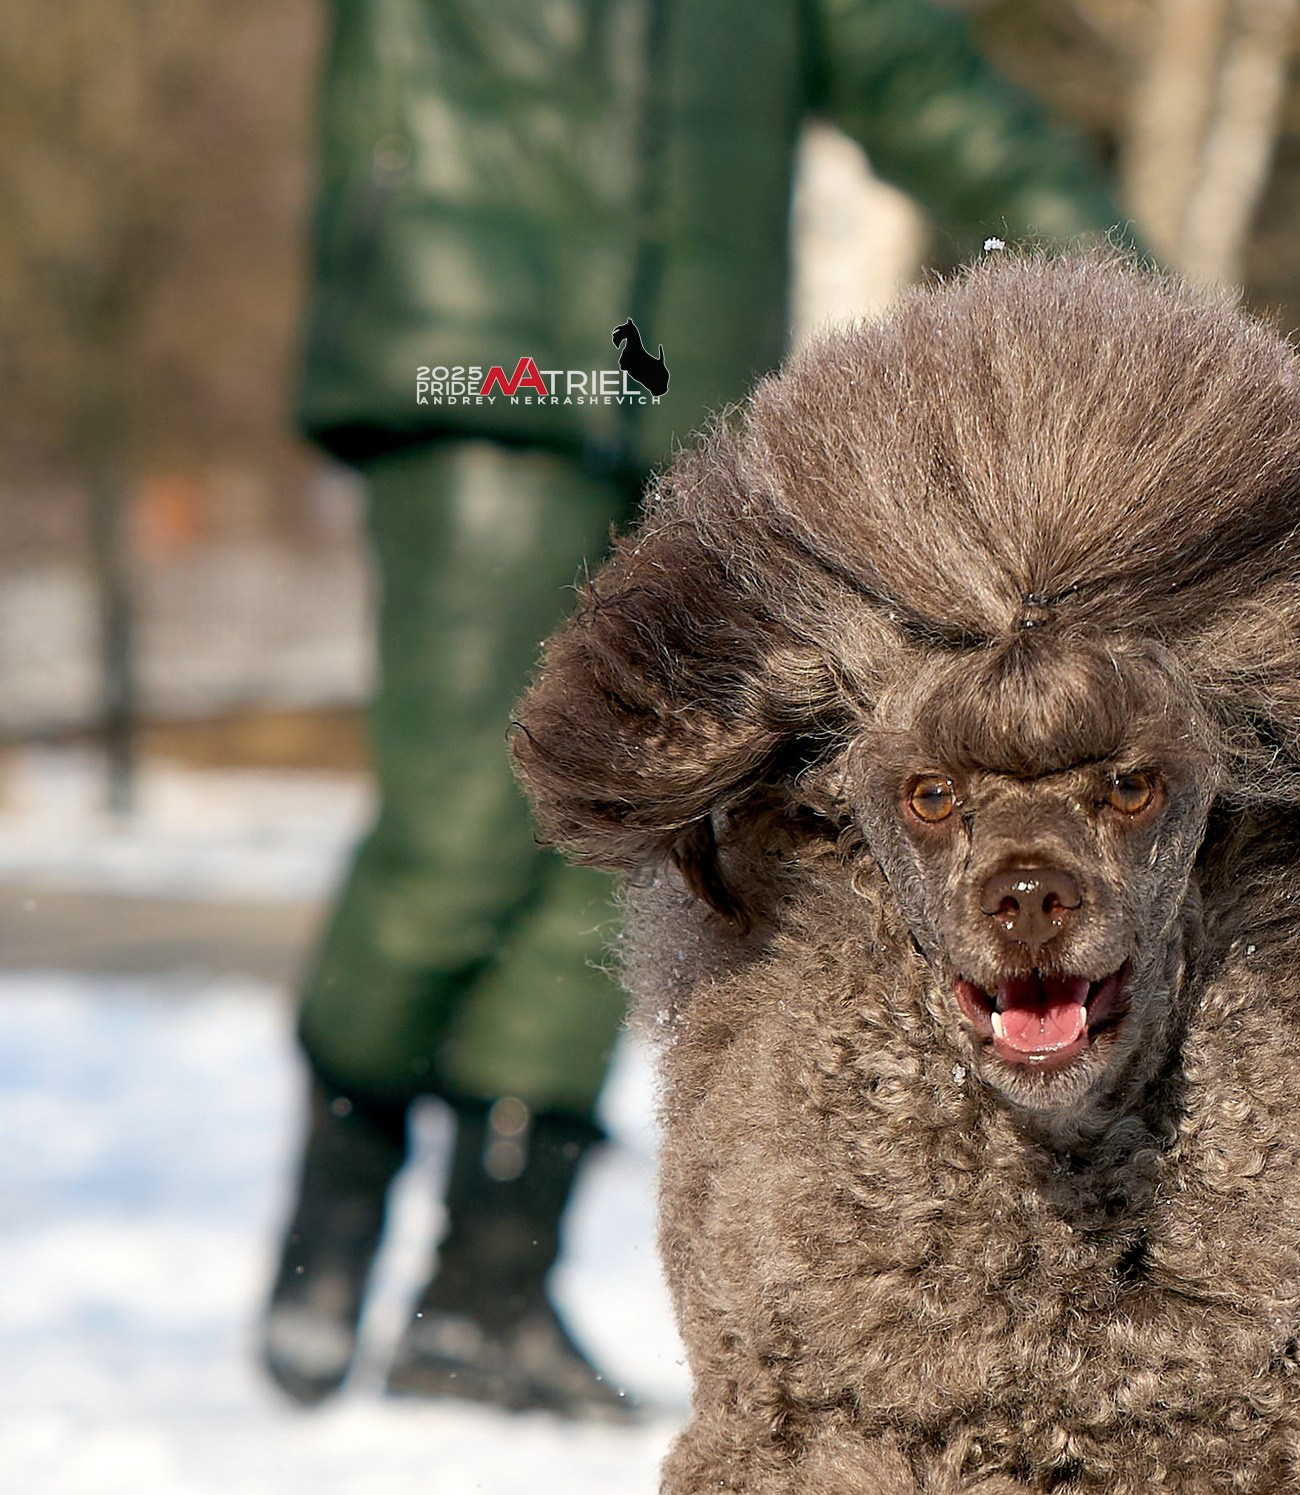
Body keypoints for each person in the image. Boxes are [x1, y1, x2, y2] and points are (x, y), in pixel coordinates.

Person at [264, 0, 1128, 1422]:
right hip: (485, 360)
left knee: (629, 833)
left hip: (678, 396)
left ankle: (491, 1278)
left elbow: (924, 85)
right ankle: (334, 1208)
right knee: (461, 829)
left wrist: (1120, 287)